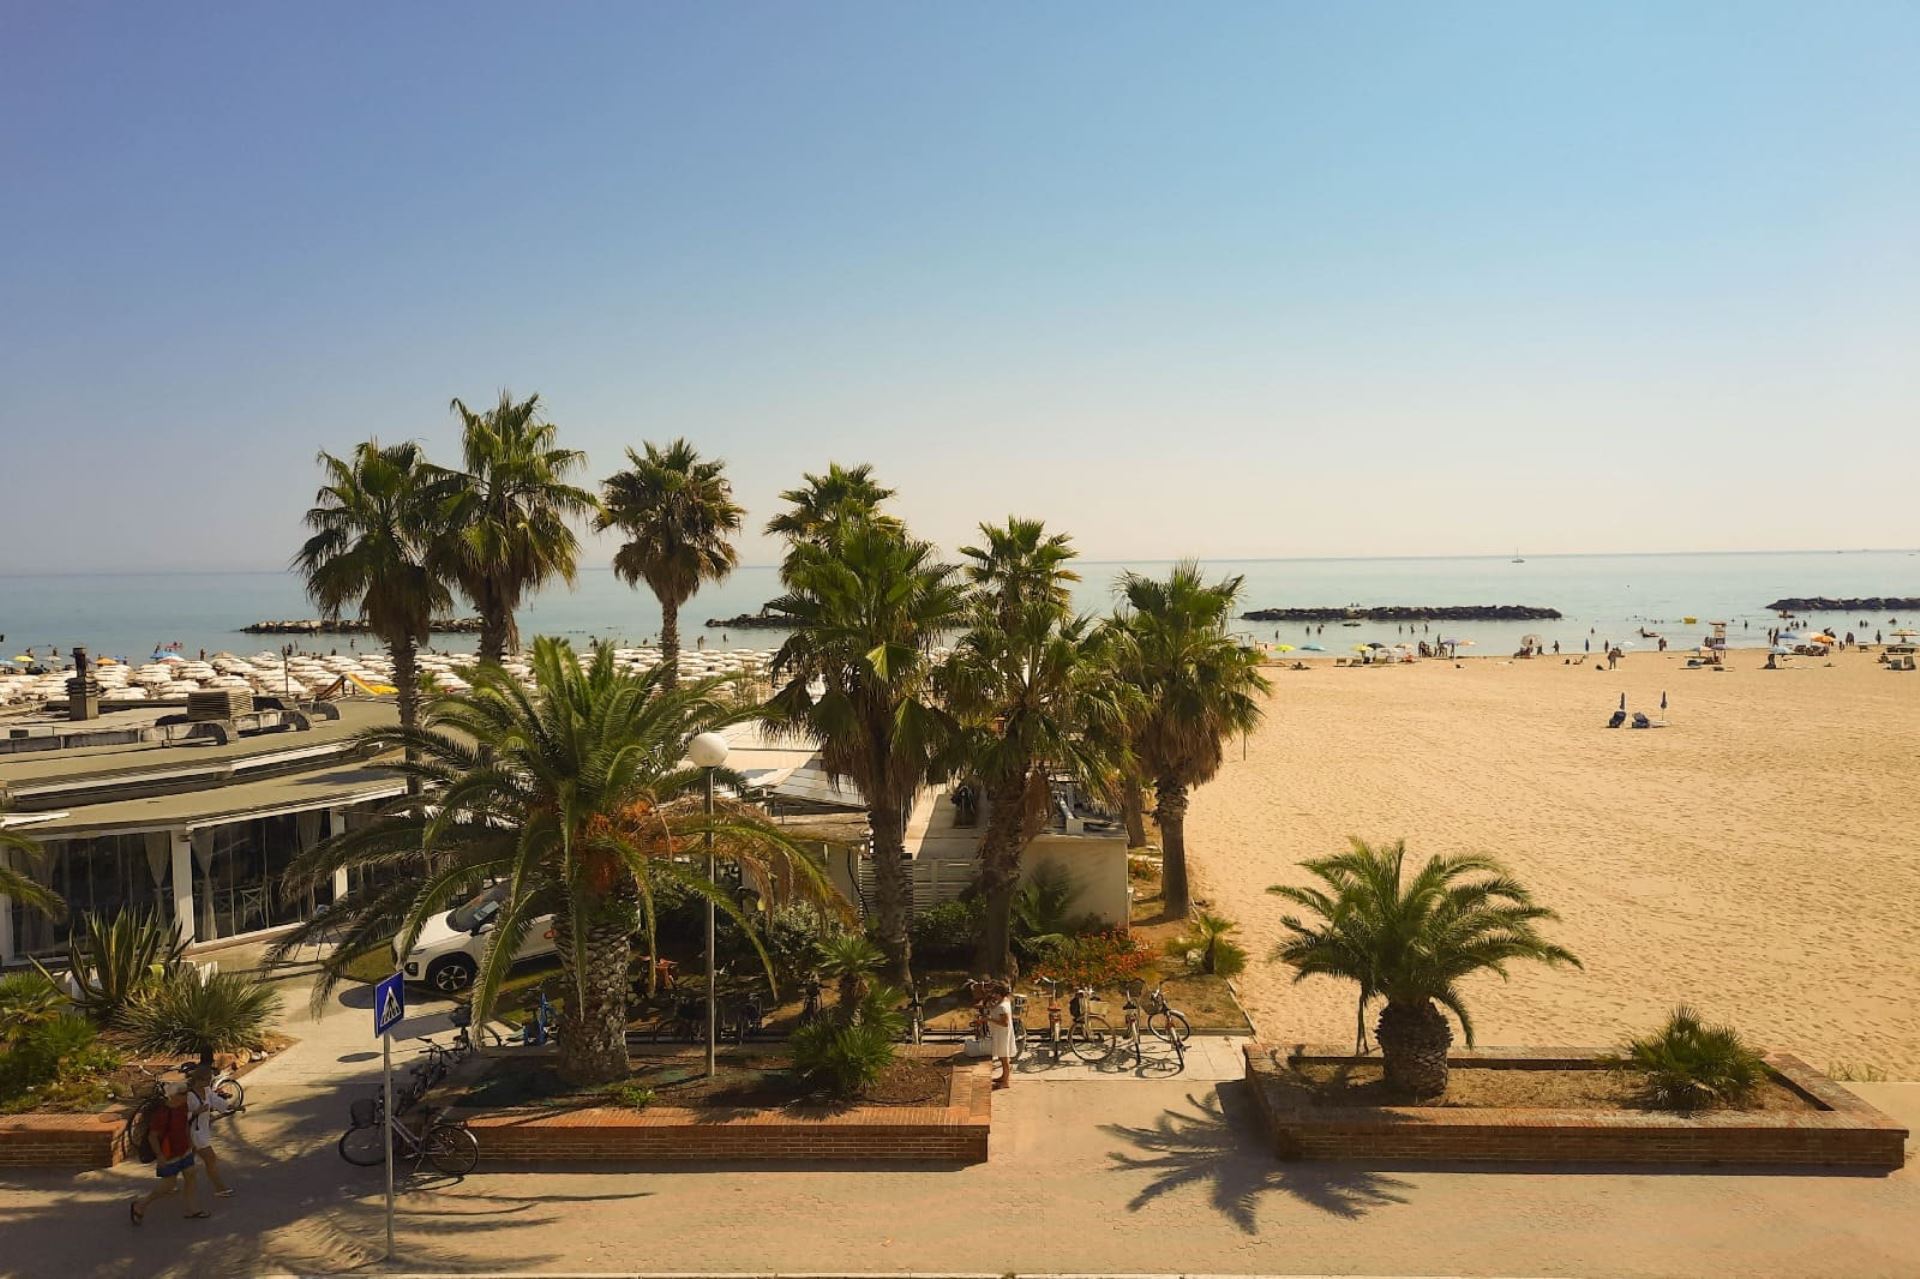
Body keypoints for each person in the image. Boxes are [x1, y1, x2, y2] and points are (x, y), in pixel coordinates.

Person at [131, 1084, 205, 1225]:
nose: (186, 1096)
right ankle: (140, 1205)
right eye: (183, 1094)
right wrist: (160, 1155)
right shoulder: (162, 1114)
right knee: (168, 1185)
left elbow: (185, 1125)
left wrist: (191, 1143)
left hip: (184, 1150)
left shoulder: (183, 1107)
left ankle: (193, 1209)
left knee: (190, 1174)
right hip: (169, 1154)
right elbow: (152, 1136)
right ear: (173, 1096)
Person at [186, 1067, 237, 1198]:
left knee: (186, 1161)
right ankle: (220, 1187)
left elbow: (216, 1101)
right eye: (206, 1080)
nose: (209, 1082)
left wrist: (231, 1106)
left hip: (203, 1130)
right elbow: (182, 1115)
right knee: (211, 1158)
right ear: (198, 1080)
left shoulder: (207, 1090)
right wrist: (196, 1112)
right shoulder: (189, 1095)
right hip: (193, 1132)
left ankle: (168, 1183)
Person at [987, 982, 1017, 1090]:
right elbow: (996, 1007)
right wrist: (991, 1004)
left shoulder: (1003, 1007)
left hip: (1002, 1035)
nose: (993, 995)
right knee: (1002, 1056)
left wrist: (989, 1019)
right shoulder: (1004, 1000)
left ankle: (1006, 1082)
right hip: (1000, 1034)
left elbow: (1004, 1023)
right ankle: (1003, 1077)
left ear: (999, 993)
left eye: (995, 993)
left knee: (1004, 1058)